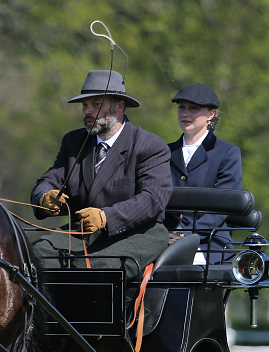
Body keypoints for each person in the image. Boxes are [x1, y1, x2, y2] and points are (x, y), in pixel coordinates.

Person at [30, 70, 172, 280]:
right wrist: (44, 197)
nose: (88, 111)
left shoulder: (149, 145)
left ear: (120, 106)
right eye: (85, 105)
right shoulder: (74, 142)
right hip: (81, 234)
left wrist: (106, 217)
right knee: (29, 258)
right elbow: (49, 180)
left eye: (96, 104)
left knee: (100, 269)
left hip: (138, 233)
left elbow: (153, 199)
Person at [166, 83, 242, 264]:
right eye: (181, 108)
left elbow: (222, 206)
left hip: (208, 243)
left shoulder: (227, 153)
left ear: (211, 114)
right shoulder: (164, 152)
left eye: (194, 109)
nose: (185, 113)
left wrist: (185, 235)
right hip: (164, 239)